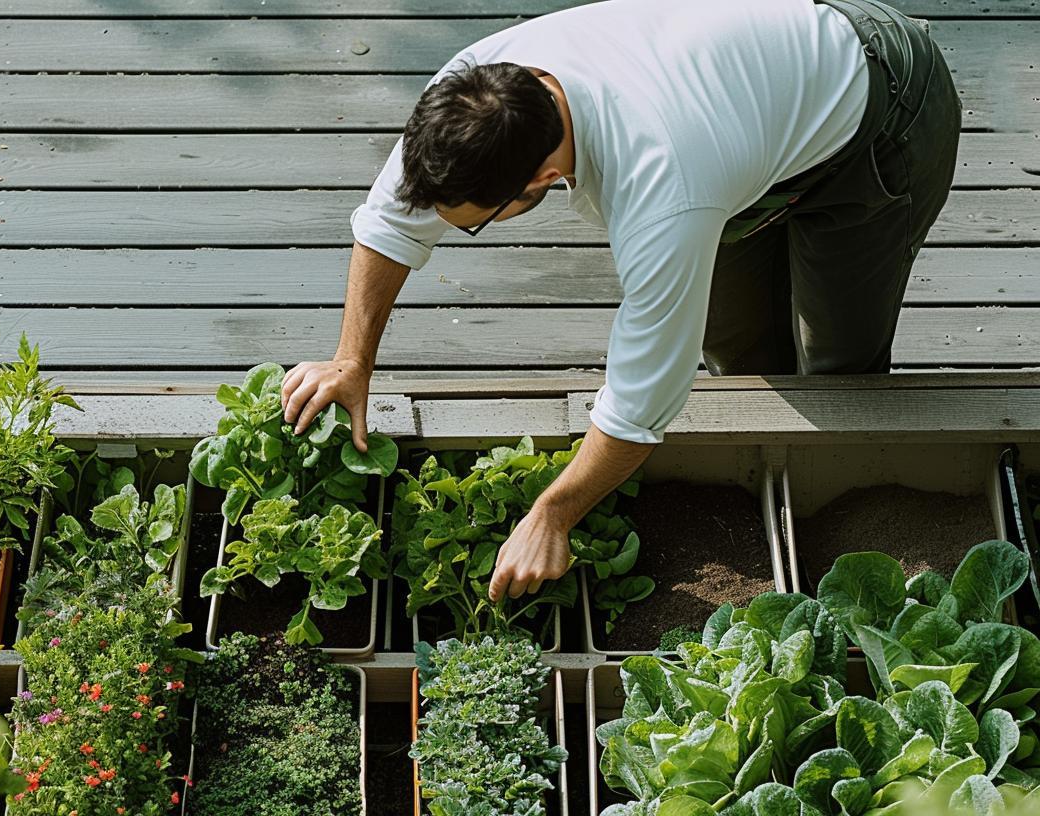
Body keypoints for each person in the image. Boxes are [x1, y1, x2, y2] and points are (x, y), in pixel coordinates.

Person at [280, 0, 959, 603]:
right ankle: (771, 469)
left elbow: (640, 405)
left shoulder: (663, 186)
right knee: (732, 336)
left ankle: (851, 521)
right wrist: (351, 361)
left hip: (884, 110)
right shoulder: (476, 92)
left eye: (475, 222)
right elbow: (391, 221)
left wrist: (551, 514)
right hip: (748, 114)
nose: (453, 231)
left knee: (838, 359)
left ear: (544, 178)